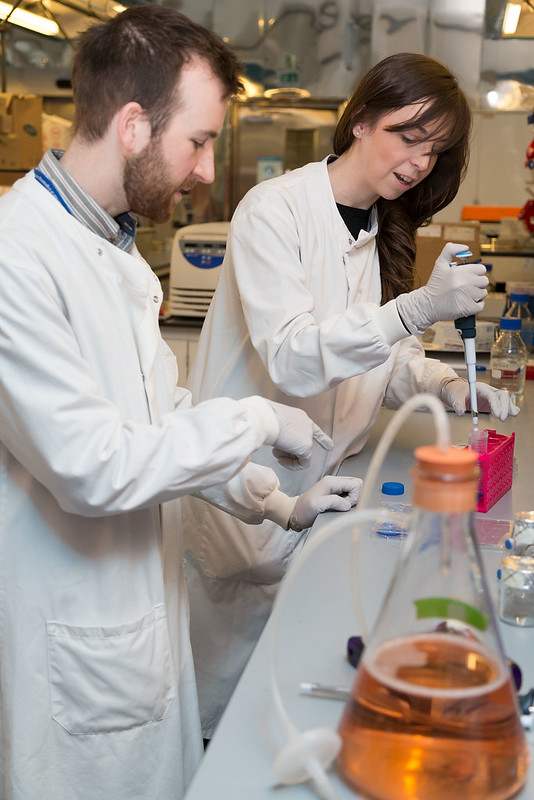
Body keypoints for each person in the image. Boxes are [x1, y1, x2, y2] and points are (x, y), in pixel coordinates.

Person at [0, 7, 363, 800]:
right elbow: (94, 469)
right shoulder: (16, 257)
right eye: (197, 142)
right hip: (76, 637)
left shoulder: (110, 247)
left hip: (139, 624)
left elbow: (165, 427)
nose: (205, 171)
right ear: (132, 125)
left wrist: (278, 504)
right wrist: (262, 418)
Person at [182, 51, 520, 740]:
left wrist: (449, 385)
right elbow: (297, 358)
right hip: (248, 498)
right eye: (408, 135)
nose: (421, 161)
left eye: (436, 149)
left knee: (293, 701)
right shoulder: (274, 211)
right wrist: (418, 308)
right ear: (361, 121)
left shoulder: (375, 230)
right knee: (221, 723)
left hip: (326, 497)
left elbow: (376, 362)